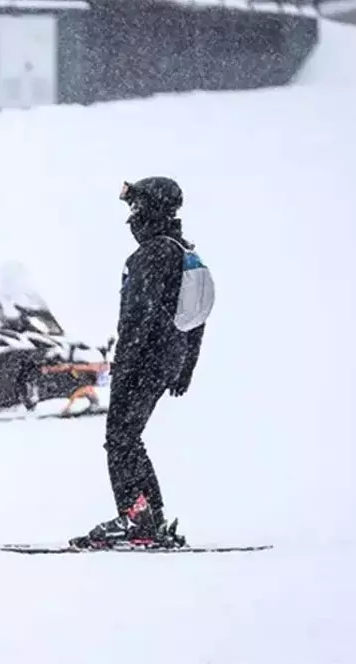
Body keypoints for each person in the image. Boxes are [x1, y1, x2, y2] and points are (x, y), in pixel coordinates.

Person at [73, 176, 207, 549]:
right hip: (167, 359)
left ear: (150, 210)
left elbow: (137, 317)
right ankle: (151, 517)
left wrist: (125, 364)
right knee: (130, 438)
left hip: (144, 361)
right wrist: (185, 366)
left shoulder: (150, 255)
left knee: (119, 439)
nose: (131, 218)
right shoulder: (182, 251)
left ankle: (136, 518)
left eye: (135, 208)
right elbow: (196, 320)